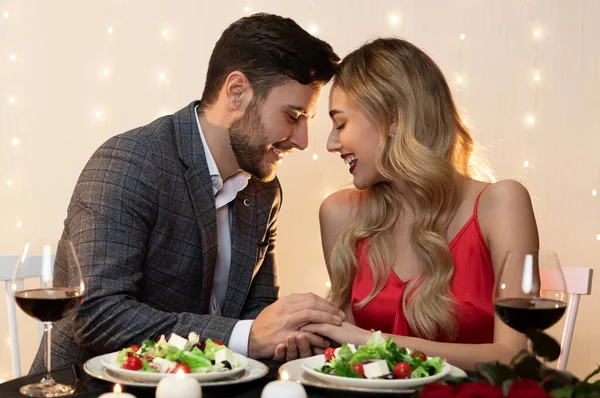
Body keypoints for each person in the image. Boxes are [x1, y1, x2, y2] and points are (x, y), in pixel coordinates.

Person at [31, 13, 342, 372]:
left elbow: (257, 312)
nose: (303, 141)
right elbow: (97, 314)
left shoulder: (263, 190)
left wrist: (290, 332)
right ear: (236, 92)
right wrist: (246, 337)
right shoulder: (129, 162)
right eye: (293, 115)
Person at [299, 38, 538, 370]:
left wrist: (371, 341)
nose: (331, 142)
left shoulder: (501, 204)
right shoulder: (340, 213)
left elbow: (513, 357)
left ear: (393, 118)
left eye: (341, 123)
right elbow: (347, 358)